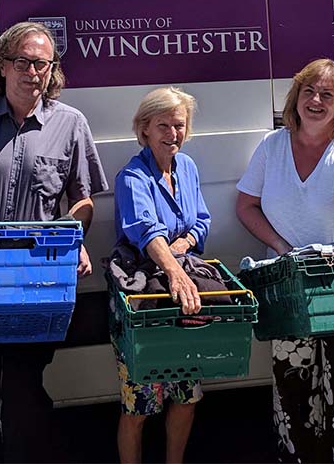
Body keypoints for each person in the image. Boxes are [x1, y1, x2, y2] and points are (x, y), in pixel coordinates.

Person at [0, 21, 107, 463]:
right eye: (22, 61)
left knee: (23, 399)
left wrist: (74, 236)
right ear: (2, 67)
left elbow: (83, 199)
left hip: (32, 285)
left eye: (42, 63)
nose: (32, 71)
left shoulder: (70, 123)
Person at [236, 58, 334, 464]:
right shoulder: (272, 145)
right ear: (296, 97)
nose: (316, 101)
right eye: (309, 92)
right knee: (293, 393)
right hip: (288, 289)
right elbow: (246, 205)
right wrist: (280, 245)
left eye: (327, 95)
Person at [114, 86, 211, 464]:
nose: (173, 134)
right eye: (163, 126)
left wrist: (183, 246)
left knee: (186, 397)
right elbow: (146, 231)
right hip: (145, 297)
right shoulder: (132, 176)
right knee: (138, 405)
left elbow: (201, 220)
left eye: (179, 125)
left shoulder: (188, 167)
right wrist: (175, 272)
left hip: (182, 290)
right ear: (144, 130)